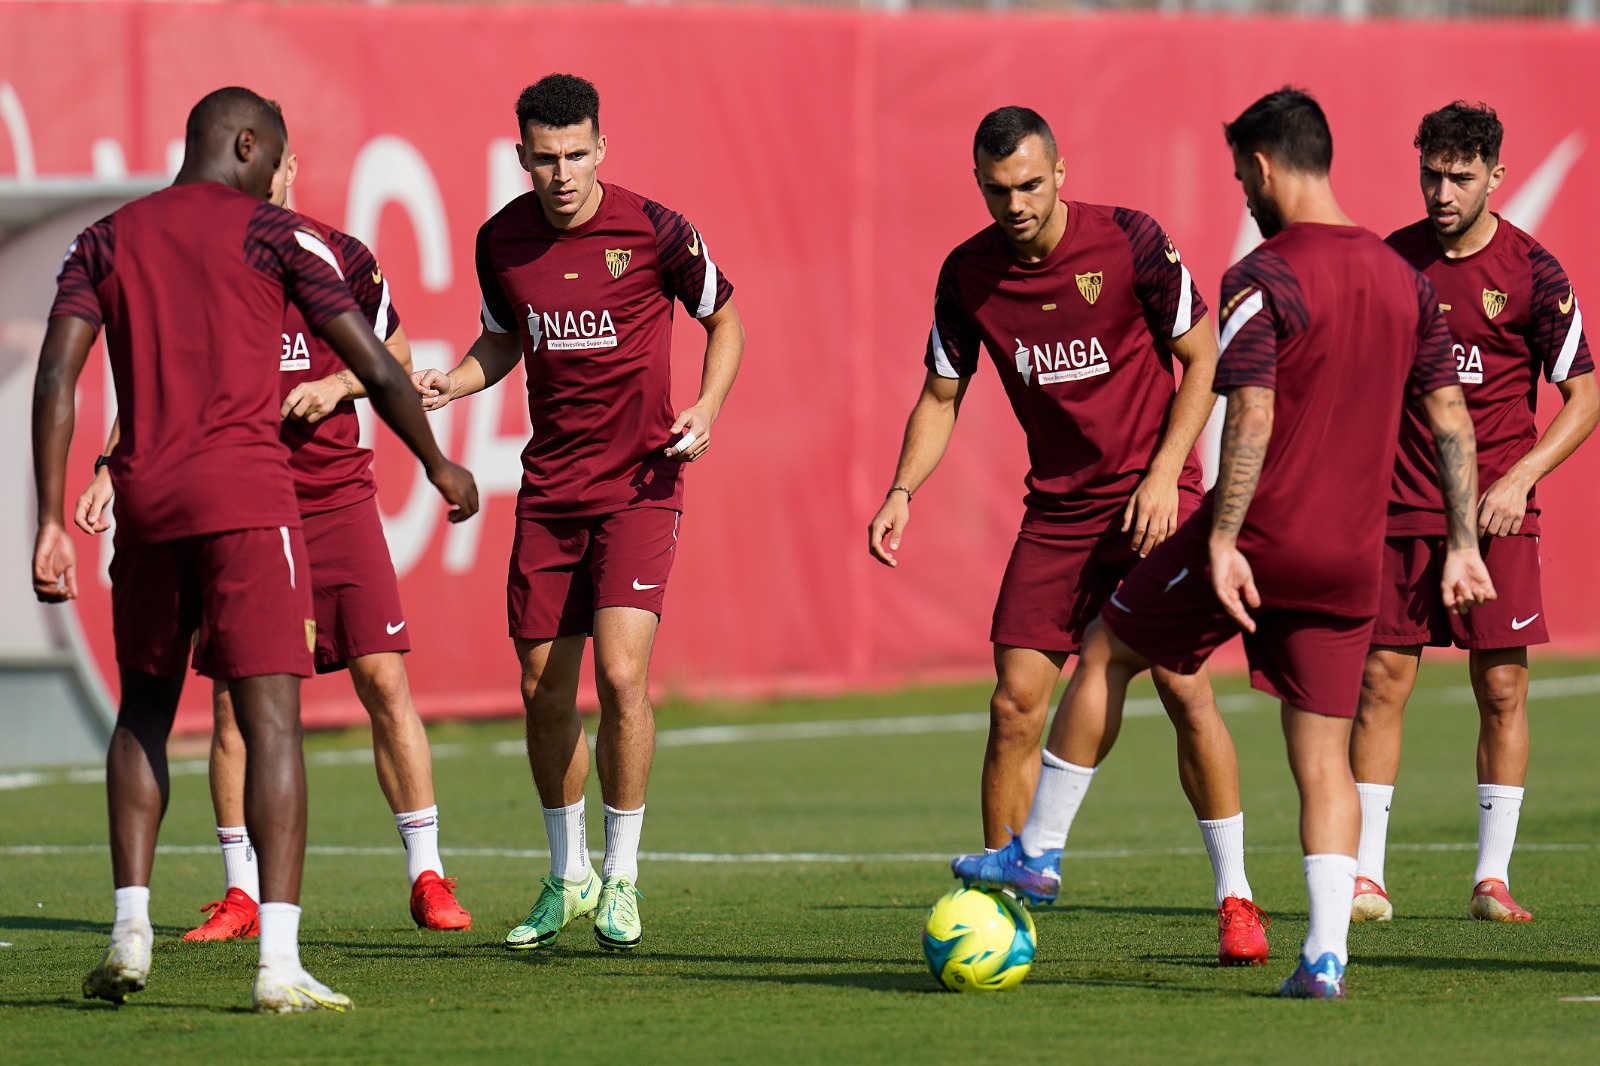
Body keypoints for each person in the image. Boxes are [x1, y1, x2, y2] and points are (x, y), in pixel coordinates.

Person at [952, 88, 1495, 999]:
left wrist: (1226, 536)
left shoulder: (1264, 275)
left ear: (1271, 166)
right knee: (1324, 754)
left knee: (1107, 649)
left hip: (1268, 534)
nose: (1243, 188)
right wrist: (1465, 544)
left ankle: (1036, 855)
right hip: (1354, 555)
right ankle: (1325, 956)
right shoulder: (1409, 281)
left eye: (1244, 171)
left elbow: (1251, 411)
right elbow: (1451, 420)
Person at [32, 87, 478, 1013]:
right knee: (271, 720)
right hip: (246, 500)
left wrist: (45, 519)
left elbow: (56, 374)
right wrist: (437, 463)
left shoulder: (106, 239)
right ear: (247, 146)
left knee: (145, 713)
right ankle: (278, 962)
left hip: (149, 505)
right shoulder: (277, 238)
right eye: (273, 152)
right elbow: (382, 361)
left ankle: (128, 931)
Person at [872, 106, 1269, 965]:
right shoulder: (967, 274)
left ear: (1061, 172)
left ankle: (1236, 898)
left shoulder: (1129, 241)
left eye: (1029, 184)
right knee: (1015, 701)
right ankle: (1000, 906)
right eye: (996, 189)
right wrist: (904, 488)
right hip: (1058, 511)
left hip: (1153, 494)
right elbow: (941, 397)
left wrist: (1166, 475)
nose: (1014, 204)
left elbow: (1202, 359)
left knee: (1182, 689)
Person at [412, 73, 743, 952]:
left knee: (624, 677)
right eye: (544, 159)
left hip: (640, 484)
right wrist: (454, 379)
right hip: (550, 492)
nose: (561, 174)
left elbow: (727, 319)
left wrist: (706, 408)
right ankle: (569, 874)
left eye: (575, 156)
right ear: (522, 156)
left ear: (602, 149)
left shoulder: (655, 230)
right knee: (540, 687)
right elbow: (501, 340)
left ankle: (625, 877)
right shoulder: (502, 241)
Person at [1350, 102, 1597, 924]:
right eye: (1432, 173)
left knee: (1501, 688)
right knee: (1382, 681)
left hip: (1497, 514)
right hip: (1403, 503)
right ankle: (1365, 877)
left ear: (1495, 174)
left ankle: (1491, 878)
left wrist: (1522, 476)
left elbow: (1584, 396)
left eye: (1460, 176)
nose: (1443, 190)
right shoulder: (1391, 261)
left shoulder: (1533, 271)